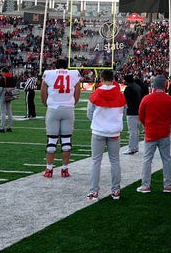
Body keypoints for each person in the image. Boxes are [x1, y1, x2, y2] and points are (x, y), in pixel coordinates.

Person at [86, 70, 126, 201]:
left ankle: (94, 191)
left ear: (101, 79)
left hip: (98, 131)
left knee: (96, 162)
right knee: (115, 161)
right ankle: (116, 190)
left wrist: (98, 123)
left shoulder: (96, 93)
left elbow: (89, 113)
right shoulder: (120, 94)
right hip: (114, 132)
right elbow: (124, 112)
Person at [40, 58, 82, 178]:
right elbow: (78, 91)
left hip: (53, 108)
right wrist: (73, 103)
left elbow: (43, 91)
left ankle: (49, 169)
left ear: (56, 66)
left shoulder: (49, 73)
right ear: (67, 66)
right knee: (66, 141)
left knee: (52, 141)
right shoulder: (74, 73)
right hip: (68, 109)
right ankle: (64, 169)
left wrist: (46, 103)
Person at [137, 75, 171, 194]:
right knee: (166, 159)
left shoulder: (146, 99)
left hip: (151, 132)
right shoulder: (169, 99)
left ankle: (145, 185)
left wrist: (147, 125)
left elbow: (141, 116)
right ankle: (168, 185)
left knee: (147, 159)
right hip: (164, 132)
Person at [122, 74, 142, 155]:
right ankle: (135, 147)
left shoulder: (129, 88)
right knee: (136, 130)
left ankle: (132, 148)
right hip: (138, 110)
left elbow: (128, 101)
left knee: (132, 131)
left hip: (132, 111)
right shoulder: (137, 86)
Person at [0, 67, 17, 133]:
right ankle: (9, 127)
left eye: (2, 72)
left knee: (3, 112)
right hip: (10, 95)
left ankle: (2, 128)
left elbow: (0, 89)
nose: (1, 73)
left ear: (4, 72)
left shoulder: (3, 78)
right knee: (9, 112)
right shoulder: (13, 78)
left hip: (3, 95)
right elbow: (14, 88)